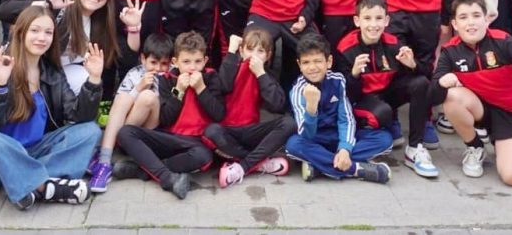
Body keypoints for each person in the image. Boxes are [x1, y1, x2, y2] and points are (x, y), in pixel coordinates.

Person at [0, 5, 103, 210]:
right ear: (21, 32)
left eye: (48, 32)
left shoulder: (52, 72)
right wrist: (0, 86)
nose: (41, 37)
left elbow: (79, 117)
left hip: (32, 152)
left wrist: (94, 80)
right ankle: (45, 186)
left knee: (91, 131)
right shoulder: (0, 65)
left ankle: (24, 181)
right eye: (35, 30)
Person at [432, 0, 512, 184]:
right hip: (481, 111)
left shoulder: (504, 42)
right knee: (452, 96)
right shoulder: (450, 51)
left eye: (476, 15)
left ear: (487, 19)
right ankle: (475, 146)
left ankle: (502, 143)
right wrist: (441, 83)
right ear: (455, 24)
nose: (470, 22)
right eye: (463, 17)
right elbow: (432, 95)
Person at [335, 0, 437, 179]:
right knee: (382, 113)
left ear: (387, 20)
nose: (373, 25)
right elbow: (343, 94)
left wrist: (413, 65)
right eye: (367, 18)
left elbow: (424, 76)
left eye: (379, 18)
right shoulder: (346, 48)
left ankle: (415, 148)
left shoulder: (393, 43)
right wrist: (354, 74)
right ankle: (364, 133)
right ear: (357, 21)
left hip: (386, 95)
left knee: (420, 83)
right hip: (361, 100)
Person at [114, 31, 225, 199]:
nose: (192, 67)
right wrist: (178, 91)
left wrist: (201, 89)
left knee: (203, 156)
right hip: (170, 137)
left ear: (205, 61)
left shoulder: (211, 77)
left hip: (196, 141)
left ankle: (142, 170)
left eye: (197, 62)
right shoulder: (168, 79)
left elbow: (219, 114)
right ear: (175, 62)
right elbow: (166, 118)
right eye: (186, 62)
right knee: (125, 132)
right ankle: (168, 177)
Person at [285, 33, 392, 183]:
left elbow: (346, 119)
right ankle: (356, 169)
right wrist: (311, 108)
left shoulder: (338, 80)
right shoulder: (297, 91)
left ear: (329, 61)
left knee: (384, 138)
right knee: (293, 145)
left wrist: (345, 148)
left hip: (337, 136)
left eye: (318, 61)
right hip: (315, 139)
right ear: (299, 65)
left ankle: (320, 166)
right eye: (306, 62)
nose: (312, 67)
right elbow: (306, 134)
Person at [206, 29, 296, 188]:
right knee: (211, 131)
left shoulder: (266, 74)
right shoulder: (232, 64)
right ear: (242, 50)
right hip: (228, 132)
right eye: (250, 49)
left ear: (268, 56)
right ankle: (260, 163)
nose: (254, 55)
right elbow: (224, 86)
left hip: (251, 131)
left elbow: (277, 105)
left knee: (289, 123)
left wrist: (260, 73)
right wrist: (231, 53)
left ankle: (242, 167)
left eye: (260, 51)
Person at [88, 32, 174, 192]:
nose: (158, 68)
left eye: (164, 64)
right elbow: (121, 107)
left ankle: (117, 143)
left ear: (171, 62)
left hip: (157, 132)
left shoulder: (174, 74)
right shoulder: (135, 73)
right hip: (131, 127)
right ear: (143, 59)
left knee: (148, 97)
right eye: (153, 62)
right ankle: (104, 161)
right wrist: (138, 88)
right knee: (123, 98)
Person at [38, 0, 142, 97]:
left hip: (66, 72)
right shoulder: (59, 3)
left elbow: (127, 59)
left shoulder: (102, 21)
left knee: (89, 80)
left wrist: (134, 28)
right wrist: (47, 4)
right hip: (38, 68)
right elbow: (6, 10)